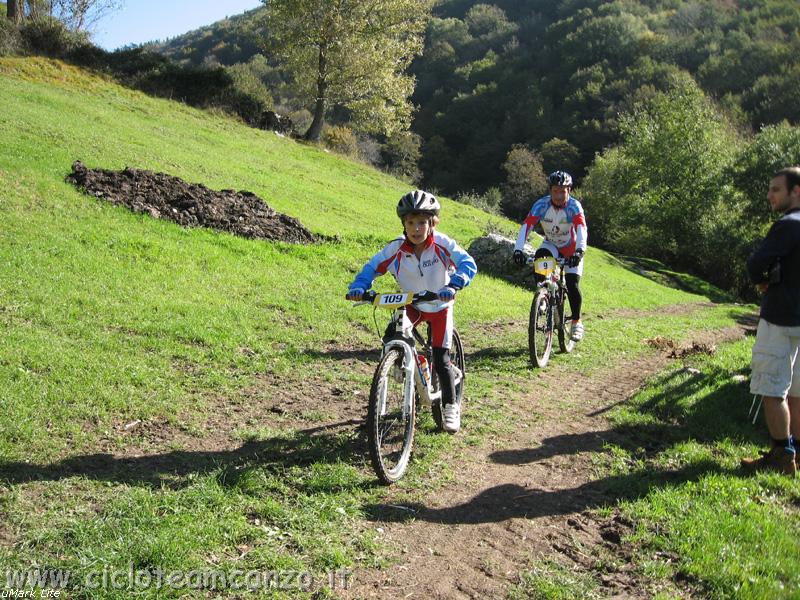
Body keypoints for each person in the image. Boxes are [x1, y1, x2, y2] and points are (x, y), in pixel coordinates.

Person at [346, 190, 477, 433]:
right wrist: (359, 287)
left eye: (422, 223)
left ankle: (450, 406)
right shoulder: (395, 248)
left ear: (432, 223)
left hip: (440, 306)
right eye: (411, 223)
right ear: (403, 224)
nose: (417, 229)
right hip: (412, 304)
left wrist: (454, 284)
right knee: (391, 335)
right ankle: (399, 364)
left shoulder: (442, 245)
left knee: (441, 357)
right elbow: (372, 267)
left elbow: (468, 264)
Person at [741, 166, 800, 476]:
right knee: (797, 389)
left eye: (776, 189)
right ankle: (796, 450)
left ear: (796, 191)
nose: (769, 195)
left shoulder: (788, 225)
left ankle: (781, 453)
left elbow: (755, 264)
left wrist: (762, 280)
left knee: (772, 388)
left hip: (781, 318)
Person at [512, 170, 588, 341]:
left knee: (572, 284)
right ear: (550, 190)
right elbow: (527, 227)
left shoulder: (574, 207)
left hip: (571, 249)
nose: (559, 195)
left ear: (569, 190)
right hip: (551, 245)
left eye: (563, 191)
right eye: (555, 191)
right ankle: (544, 297)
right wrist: (518, 249)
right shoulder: (541, 205)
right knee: (540, 260)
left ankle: (576, 322)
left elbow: (581, 229)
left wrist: (579, 251)